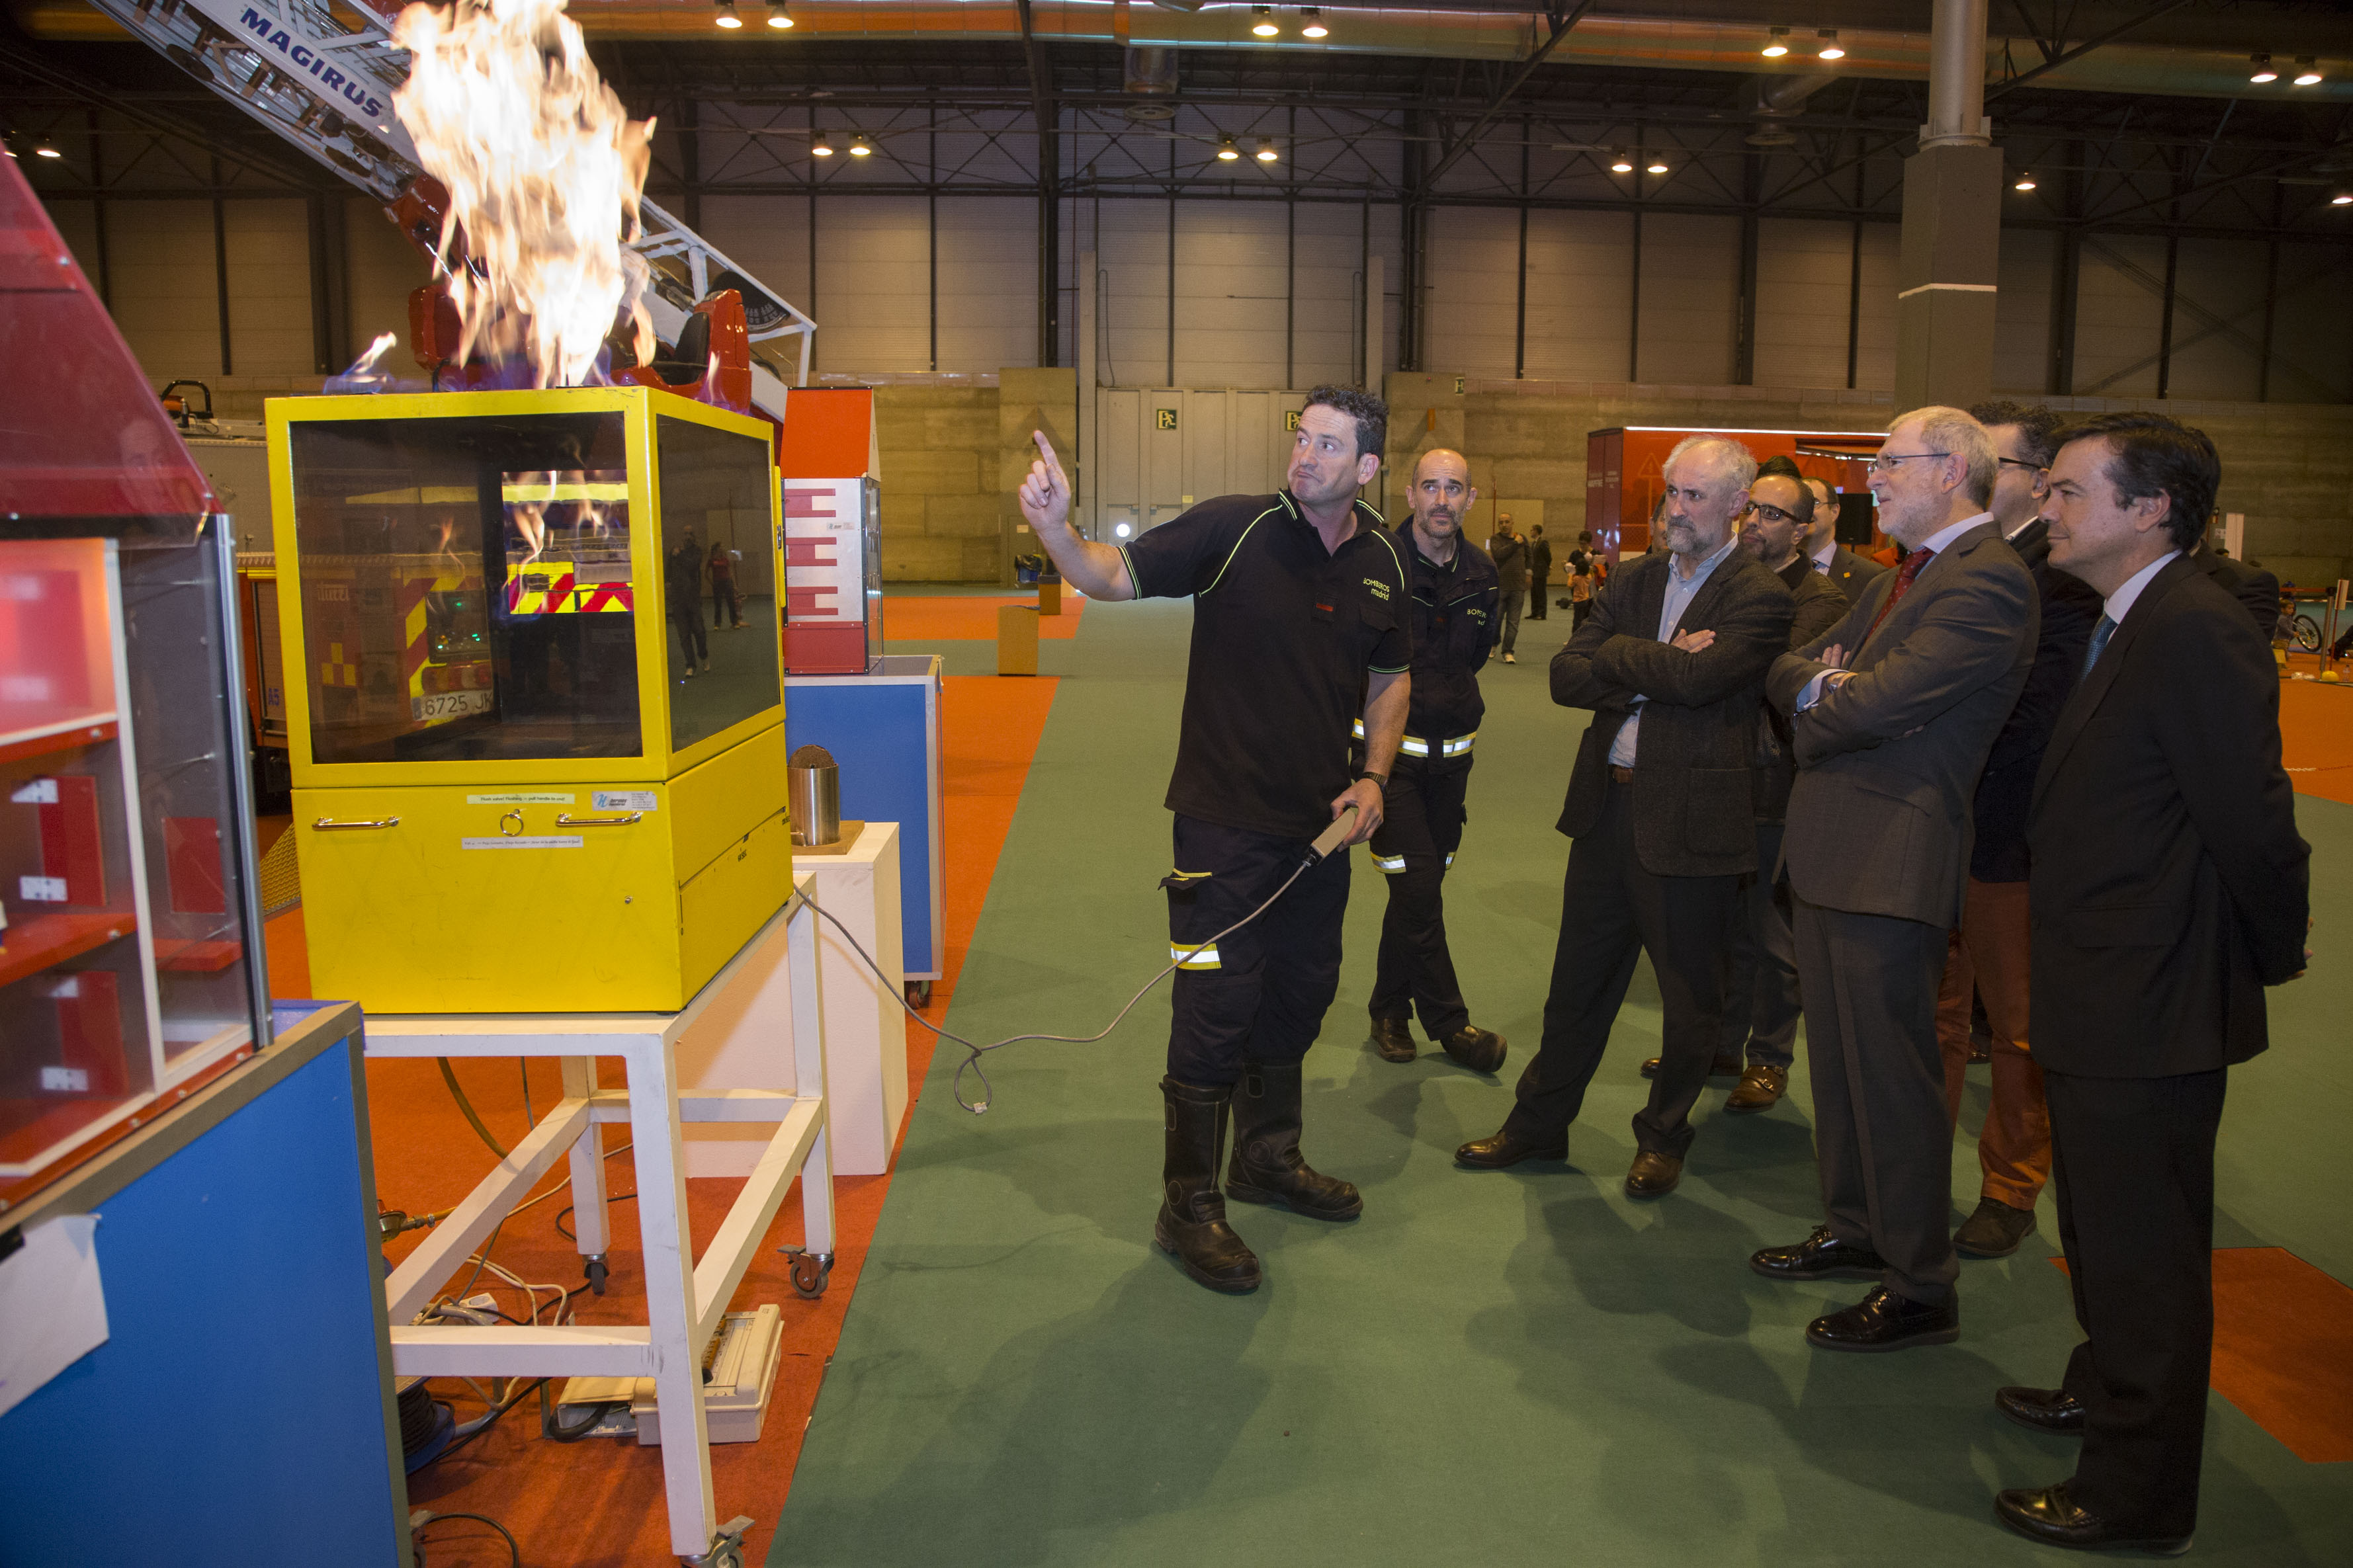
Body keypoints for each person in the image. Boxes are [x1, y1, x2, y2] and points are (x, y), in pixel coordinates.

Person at [1992, 413, 2311, 1554]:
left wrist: (2262, 955)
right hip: (2102, 981)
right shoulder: (2126, 616)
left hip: (2152, 992)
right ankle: (2102, 1387)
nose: (2047, 508)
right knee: (2099, 1223)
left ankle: (2136, 1494)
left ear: (2149, 509)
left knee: (2145, 1253)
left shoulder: (2193, 629)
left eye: (2070, 491)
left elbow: (2251, 822)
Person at [1013, 386, 1405, 1296]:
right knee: (1214, 1009)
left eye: (1328, 444)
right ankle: (1186, 1204)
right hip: (1220, 829)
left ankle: (1266, 1157)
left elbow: (1391, 676)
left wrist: (1375, 776)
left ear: (1366, 467)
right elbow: (1109, 577)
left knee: (1301, 995)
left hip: (1320, 833)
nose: (1304, 453)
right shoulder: (1233, 529)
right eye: (1300, 436)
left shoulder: (1382, 560)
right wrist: (1057, 531)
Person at [1750, 406, 2036, 1351]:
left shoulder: (1986, 579)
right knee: (1840, 1067)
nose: (1871, 478)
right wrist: (1824, 685)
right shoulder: (1898, 579)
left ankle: (1919, 1282)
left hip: (1893, 856)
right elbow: (1793, 668)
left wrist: (1829, 695)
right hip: (1836, 849)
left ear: (1950, 468)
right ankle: (1857, 1225)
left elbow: (1869, 703)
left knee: (1894, 1078)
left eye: (1889, 462)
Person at [1455, 436, 1793, 1196]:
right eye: (1671, 492)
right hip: (1606, 810)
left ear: (1736, 505)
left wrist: (1620, 659)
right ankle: (1538, 1125)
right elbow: (1565, 675)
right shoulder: (1635, 579)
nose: (1676, 508)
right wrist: (1659, 659)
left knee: (1688, 1001)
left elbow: (1703, 680)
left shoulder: (1758, 595)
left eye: (1694, 495)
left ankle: (1662, 1138)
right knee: (1575, 986)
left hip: (1692, 826)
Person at [1932, 402, 2101, 1260]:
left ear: (2038, 481)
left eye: (1992, 461)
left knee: (2015, 1026)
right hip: (1942, 825)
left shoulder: (2060, 580)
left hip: (2007, 833)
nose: (1973, 473)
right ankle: (1915, 1163)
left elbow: (2033, 715)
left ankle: (2009, 1184)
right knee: (1936, 1013)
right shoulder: (1963, 557)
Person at [1639, 467, 1849, 1111]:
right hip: (1715, 775)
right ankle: (1718, 1045)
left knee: (1769, 933)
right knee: (1719, 928)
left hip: (1774, 782)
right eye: (1751, 508)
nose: (1754, 521)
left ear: (1802, 529)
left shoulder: (1819, 598)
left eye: (1773, 514)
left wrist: (1701, 659)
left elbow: (1763, 673)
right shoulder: (1723, 578)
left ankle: (1768, 1059)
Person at [1365, 449, 1510, 1072]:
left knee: (1415, 895)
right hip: (1390, 764)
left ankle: (1388, 1010)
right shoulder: (1379, 564)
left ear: (1470, 498)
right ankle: (1450, 1023)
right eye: (1430, 486)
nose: (1441, 499)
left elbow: (1474, 655)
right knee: (1419, 887)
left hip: (1452, 766)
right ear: (1409, 494)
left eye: (1454, 488)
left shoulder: (1483, 573)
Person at [1803, 475, 1887, 604]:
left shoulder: (1870, 576)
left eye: (1814, 503)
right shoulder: (1775, 567)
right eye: (1799, 505)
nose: (1805, 511)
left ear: (1834, 511)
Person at [666, 526, 711, 677]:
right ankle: (690, 665)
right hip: (678, 601)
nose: (687, 537)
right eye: (685, 534)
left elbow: (692, 566)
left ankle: (703, 655)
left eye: (690, 534)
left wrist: (680, 555)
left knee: (699, 631)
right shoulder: (673, 553)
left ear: (694, 536)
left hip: (693, 600)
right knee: (684, 636)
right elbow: (667, 573)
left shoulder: (697, 552)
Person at [1487, 518, 1527, 663]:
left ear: (1512, 523)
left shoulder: (1523, 538)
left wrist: (1529, 573)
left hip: (1518, 588)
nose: (1504, 525)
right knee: (1496, 620)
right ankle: (1493, 644)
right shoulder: (1495, 539)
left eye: (1507, 522)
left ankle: (1508, 651)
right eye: (1501, 522)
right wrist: (1515, 543)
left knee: (1513, 623)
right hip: (1501, 587)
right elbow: (1499, 554)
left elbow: (1529, 557)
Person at [707, 538, 742, 629]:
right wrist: (712, 583)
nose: (722, 548)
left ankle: (734, 622)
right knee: (718, 604)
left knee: (731, 603)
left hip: (727, 582)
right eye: (721, 547)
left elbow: (730, 572)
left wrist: (734, 585)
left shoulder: (725, 559)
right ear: (717, 548)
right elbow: (706, 573)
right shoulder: (712, 560)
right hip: (717, 583)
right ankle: (717, 624)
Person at [1527, 524, 1553, 620]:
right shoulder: (1534, 543)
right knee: (1534, 593)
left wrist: (1546, 567)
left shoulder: (1543, 543)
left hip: (1541, 572)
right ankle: (1534, 612)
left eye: (1532, 530)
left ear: (1536, 531)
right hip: (1534, 572)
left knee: (1541, 593)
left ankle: (1542, 614)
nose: (1531, 532)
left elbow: (1548, 557)